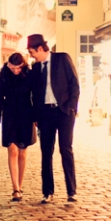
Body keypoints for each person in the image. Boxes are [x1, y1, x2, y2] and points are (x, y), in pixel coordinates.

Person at [26, 34, 80, 204]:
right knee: (46, 152)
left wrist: (71, 107)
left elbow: (74, 84)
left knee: (66, 150)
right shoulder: (35, 68)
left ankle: (71, 191)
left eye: (32, 52)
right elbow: (33, 94)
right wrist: (36, 116)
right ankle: (47, 191)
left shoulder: (62, 59)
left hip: (64, 112)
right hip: (45, 115)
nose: (31, 55)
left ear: (40, 49)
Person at [0, 53, 37, 202]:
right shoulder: (4, 74)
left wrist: (36, 117)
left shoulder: (29, 74)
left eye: (18, 68)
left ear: (22, 65)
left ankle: (20, 184)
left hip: (26, 115)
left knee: (23, 153)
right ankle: (16, 189)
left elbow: (35, 96)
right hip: (10, 114)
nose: (16, 71)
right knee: (12, 151)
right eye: (13, 68)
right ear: (8, 64)